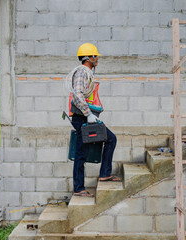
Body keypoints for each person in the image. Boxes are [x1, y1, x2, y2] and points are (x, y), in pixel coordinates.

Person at [66, 43, 121, 197]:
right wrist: (88, 113)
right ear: (89, 58)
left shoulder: (87, 73)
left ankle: (104, 173)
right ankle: (78, 188)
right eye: (95, 56)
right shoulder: (82, 72)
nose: (97, 59)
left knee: (110, 139)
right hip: (82, 117)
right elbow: (77, 95)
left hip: (86, 116)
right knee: (81, 153)